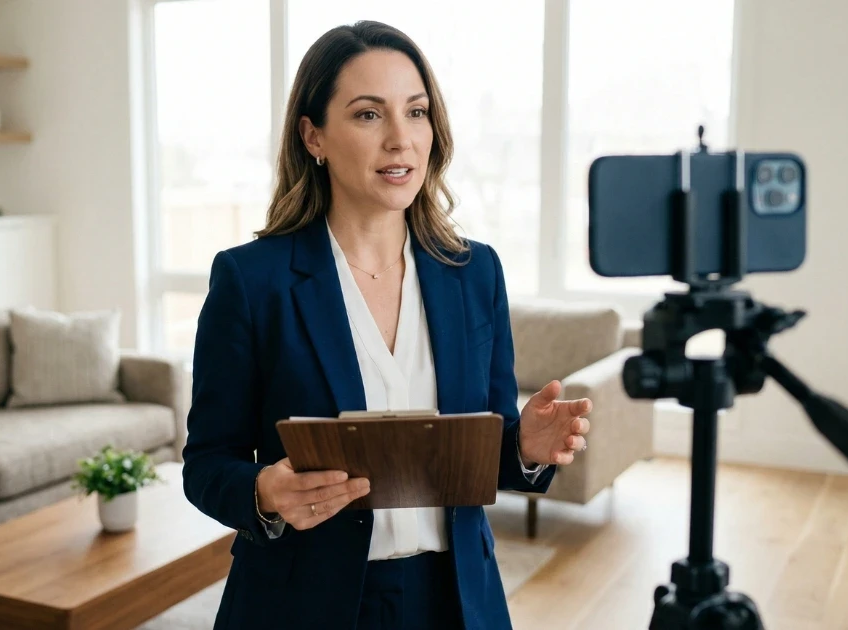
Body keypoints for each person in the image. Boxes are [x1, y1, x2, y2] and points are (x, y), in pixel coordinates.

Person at [182, 20, 593, 630]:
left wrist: (525, 449)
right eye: (369, 115)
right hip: (302, 603)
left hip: (456, 600)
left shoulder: (475, 273)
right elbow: (207, 463)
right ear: (314, 136)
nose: (401, 139)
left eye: (416, 112)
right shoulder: (251, 280)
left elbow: (482, 459)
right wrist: (264, 492)